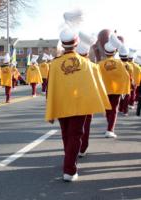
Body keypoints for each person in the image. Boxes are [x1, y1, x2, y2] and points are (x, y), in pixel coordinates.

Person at [46, 26, 108, 182]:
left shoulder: (54, 64)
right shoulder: (87, 64)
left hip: (61, 104)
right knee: (75, 136)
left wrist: (51, 108)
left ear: (63, 43)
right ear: (76, 42)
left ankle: (69, 161)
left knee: (66, 134)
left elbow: (50, 89)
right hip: (80, 106)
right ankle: (69, 169)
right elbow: (93, 87)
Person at [76, 32, 111, 157]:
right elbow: (98, 86)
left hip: (73, 101)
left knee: (72, 129)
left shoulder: (66, 64)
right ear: (86, 53)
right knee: (85, 126)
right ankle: (82, 148)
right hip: (88, 102)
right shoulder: (93, 66)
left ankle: (75, 148)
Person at [98, 34, 130, 138]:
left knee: (108, 110)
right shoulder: (120, 63)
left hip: (104, 90)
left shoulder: (100, 64)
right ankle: (110, 129)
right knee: (114, 110)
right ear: (114, 52)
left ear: (105, 52)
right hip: (116, 90)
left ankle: (109, 127)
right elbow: (125, 76)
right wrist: (125, 90)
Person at [118, 45, 134, 116]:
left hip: (119, 83)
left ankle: (120, 109)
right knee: (126, 98)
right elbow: (131, 74)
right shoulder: (129, 65)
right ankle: (125, 111)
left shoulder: (118, 64)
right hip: (127, 84)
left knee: (121, 97)